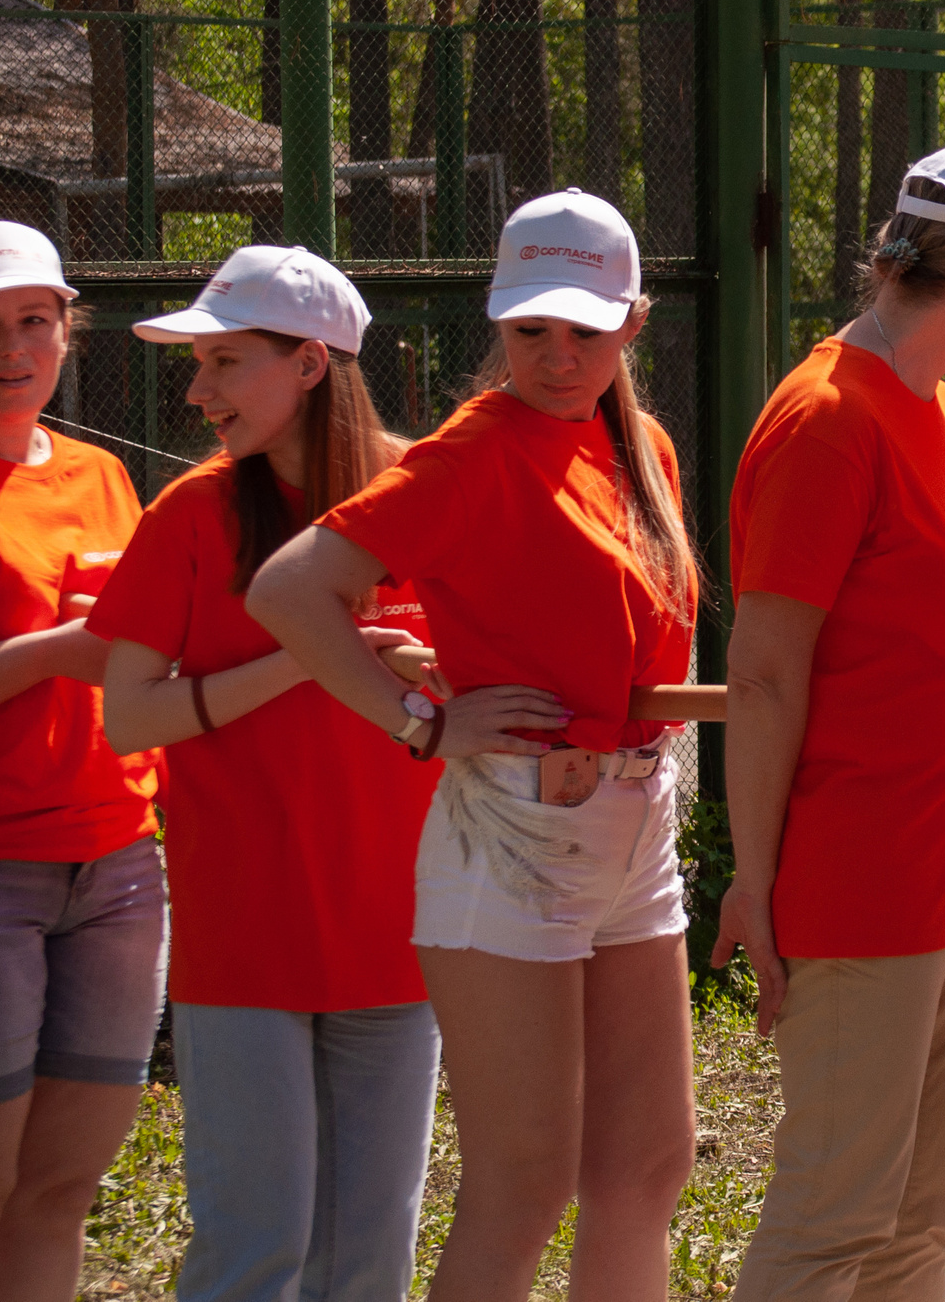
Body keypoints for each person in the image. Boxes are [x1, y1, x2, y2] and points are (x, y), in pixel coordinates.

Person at [247, 189, 699, 1301]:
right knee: (524, 1178)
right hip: (510, 832)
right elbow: (291, 591)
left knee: (647, 1163)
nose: (556, 354)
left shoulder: (640, 446)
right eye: (529, 329)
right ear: (497, 322)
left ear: (633, 323)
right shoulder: (471, 453)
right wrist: (422, 723)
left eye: (585, 330)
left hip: (637, 823)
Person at [711, 142, 945, 1300]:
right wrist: (757, 879)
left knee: (929, 1209)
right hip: (865, 872)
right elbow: (767, 673)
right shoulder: (827, 417)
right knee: (838, 1209)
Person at [88, 246, 444, 1302]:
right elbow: (128, 718)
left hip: (401, 938)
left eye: (222, 362)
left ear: (309, 366)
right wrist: (310, 655)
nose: (196, 393)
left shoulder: (429, 494)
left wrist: (444, 677)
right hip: (244, 940)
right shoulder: (190, 516)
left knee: (370, 1260)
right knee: (254, 1255)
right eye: (197, 366)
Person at [0, 221, 160, 1302]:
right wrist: (57, 654)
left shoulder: (106, 477)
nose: (11, 348)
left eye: (33, 322)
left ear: (69, 331)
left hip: (118, 870)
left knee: (63, 1183)